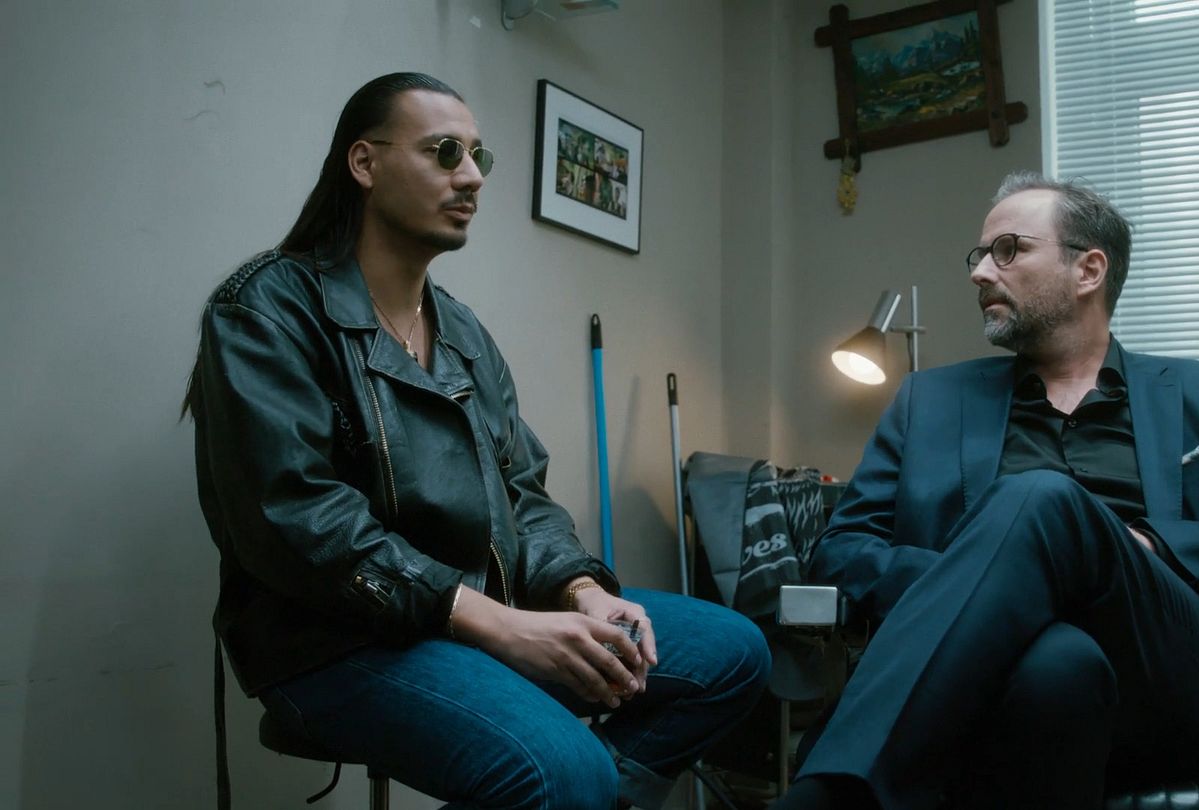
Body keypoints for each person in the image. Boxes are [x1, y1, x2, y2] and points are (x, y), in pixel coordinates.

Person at [184, 72, 769, 810]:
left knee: (733, 653)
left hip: (482, 611)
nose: (472, 177)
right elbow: (298, 521)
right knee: (565, 771)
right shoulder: (265, 308)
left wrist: (582, 591)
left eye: (477, 157)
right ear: (364, 163)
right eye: (444, 152)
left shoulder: (461, 330)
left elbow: (521, 491)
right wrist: (499, 626)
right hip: (335, 640)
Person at [775, 172, 1199, 809]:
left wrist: (1152, 545)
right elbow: (842, 550)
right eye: (979, 254)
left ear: (1088, 270)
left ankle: (831, 794)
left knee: (1043, 499)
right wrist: (990, 579)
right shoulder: (929, 401)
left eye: (1007, 250)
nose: (980, 272)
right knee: (1056, 665)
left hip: (1177, 677)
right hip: (1009, 678)